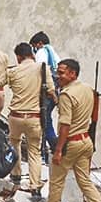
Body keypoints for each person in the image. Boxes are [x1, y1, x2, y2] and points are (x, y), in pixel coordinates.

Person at [35, 59, 101, 202]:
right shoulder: (87, 89)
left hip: (71, 143)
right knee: (84, 180)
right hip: (85, 141)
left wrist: (58, 150)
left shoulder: (66, 95)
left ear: (73, 74)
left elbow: (65, 126)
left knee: (56, 182)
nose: (58, 76)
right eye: (58, 72)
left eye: (62, 72)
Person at [6, 42, 55, 199]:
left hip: (16, 116)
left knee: (14, 146)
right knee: (35, 152)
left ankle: (16, 177)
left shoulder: (13, 71)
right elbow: (51, 90)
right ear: (31, 54)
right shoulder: (42, 68)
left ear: (19, 57)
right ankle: (35, 187)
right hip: (34, 117)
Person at [31, 32, 61, 160]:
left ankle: (52, 147)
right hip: (55, 92)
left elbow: (41, 71)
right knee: (47, 120)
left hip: (47, 93)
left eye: (34, 46)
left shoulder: (42, 53)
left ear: (40, 44)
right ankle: (52, 146)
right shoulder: (54, 54)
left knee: (44, 121)